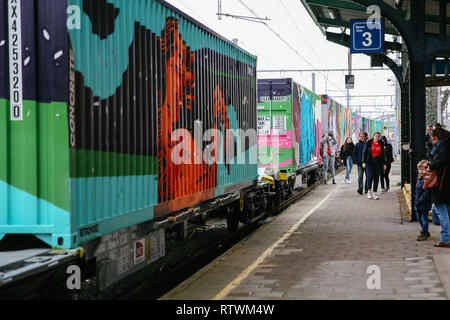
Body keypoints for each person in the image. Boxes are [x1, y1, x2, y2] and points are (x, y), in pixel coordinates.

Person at [427, 127, 450, 247]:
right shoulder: (445, 145)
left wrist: (431, 166)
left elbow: (442, 160)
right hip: (446, 184)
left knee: (441, 210)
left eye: (434, 139)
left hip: (442, 183)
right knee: (447, 210)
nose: (434, 142)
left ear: (438, 137)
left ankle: (446, 238)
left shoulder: (444, 147)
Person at [362, 132, 387, 200]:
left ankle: (374, 193)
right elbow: (365, 152)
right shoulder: (369, 142)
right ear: (373, 136)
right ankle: (369, 191)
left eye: (378, 137)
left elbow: (383, 155)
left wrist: (384, 164)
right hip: (370, 162)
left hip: (378, 162)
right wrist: (364, 162)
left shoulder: (381, 143)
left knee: (376, 177)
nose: (377, 138)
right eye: (376, 136)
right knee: (370, 176)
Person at [415, 160, 432, 241]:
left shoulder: (427, 179)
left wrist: (420, 201)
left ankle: (424, 232)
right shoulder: (419, 179)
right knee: (419, 217)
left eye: (423, 169)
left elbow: (427, 192)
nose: (421, 171)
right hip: (418, 202)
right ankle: (425, 230)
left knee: (424, 218)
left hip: (424, 203)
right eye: (420, 169)